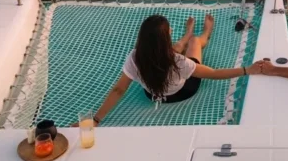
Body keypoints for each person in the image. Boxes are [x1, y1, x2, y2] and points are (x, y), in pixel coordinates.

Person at [83, 14, 266, 125]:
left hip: (153, 94)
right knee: (195, 43)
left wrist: (96, 119)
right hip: (183, 92)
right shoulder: (178, 61)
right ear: (167, 36)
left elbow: (119, 89)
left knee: (176, 49)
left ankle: (187, 34)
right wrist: (246, 70)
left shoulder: (135, 57)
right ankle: (203, 34)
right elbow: (213, 73)